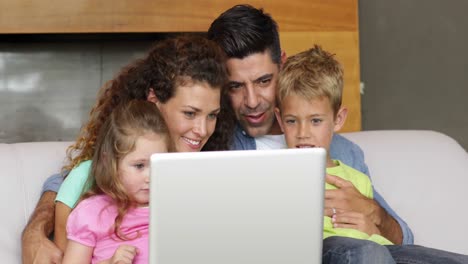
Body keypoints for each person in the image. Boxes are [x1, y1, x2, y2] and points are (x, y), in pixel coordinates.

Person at [209, 5, 468, 264]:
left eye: (264, 81)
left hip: (369, 252)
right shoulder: (220, 150)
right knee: (368, 253)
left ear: (283, 65)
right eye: (236, 86)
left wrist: (373, 213)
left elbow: (403, 239)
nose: (252, 101)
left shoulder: (344, 151)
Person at [22, 34, 232, 263]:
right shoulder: (88, 185)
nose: (202, 130)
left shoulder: (209, 176)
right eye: (189, 113)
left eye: (212, 115)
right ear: (154, 100)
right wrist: (34, 230)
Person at [62, 100, 171, 264]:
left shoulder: (173, 204)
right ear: (109, 161)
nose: (151, 176)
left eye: (158, 163)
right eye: (139, 166)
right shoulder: (92, 213)